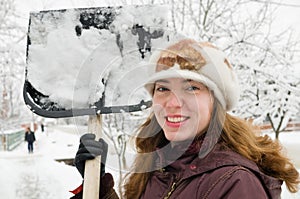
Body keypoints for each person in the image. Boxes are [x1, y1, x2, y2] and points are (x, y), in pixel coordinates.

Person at [71, 39, 299, 198]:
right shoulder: (159, 166)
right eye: (162, 89)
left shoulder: (235, 183)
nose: (172, 103)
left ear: (215, 100)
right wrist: (98, 186)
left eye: (191, 88)